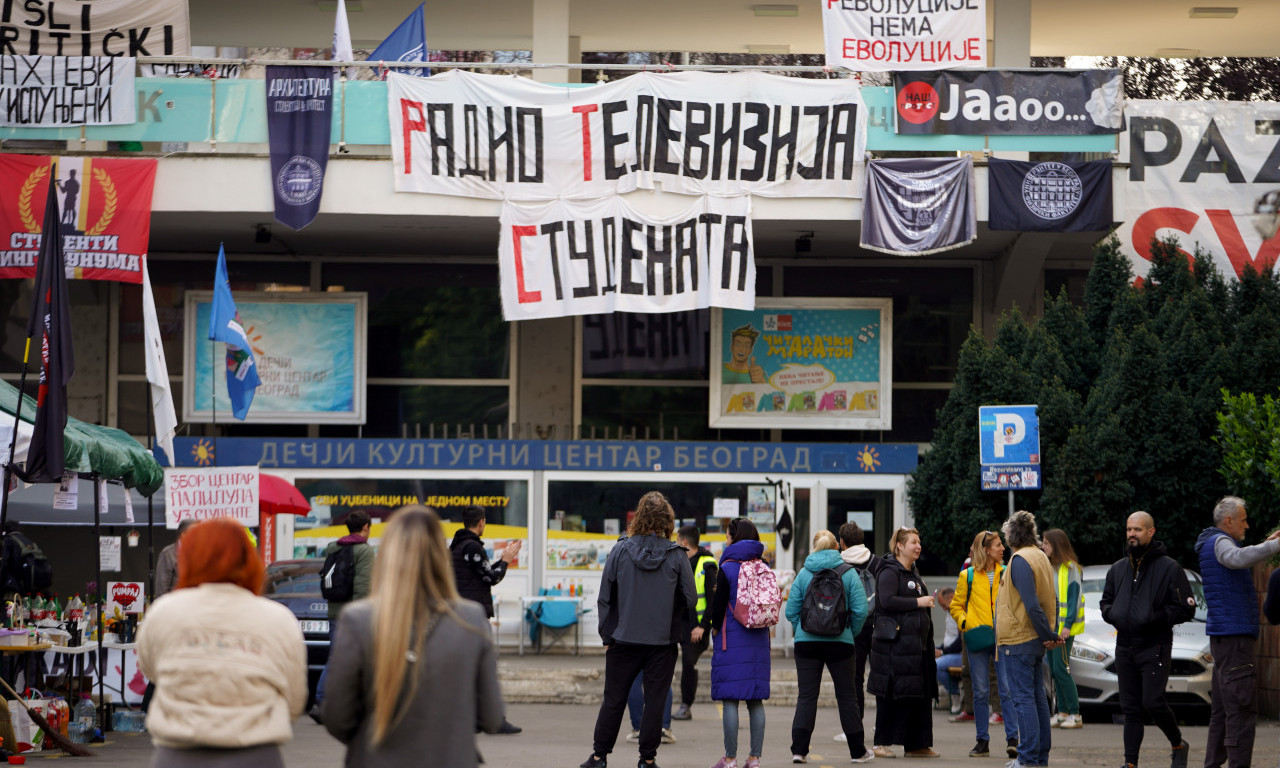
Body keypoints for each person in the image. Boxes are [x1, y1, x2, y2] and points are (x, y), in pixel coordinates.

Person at [322, 505, 506, 767]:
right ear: (439, 557)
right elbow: (491, 717)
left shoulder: (359, 619)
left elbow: (337, 716)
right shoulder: (470, 618)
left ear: (387, 554)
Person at [138, 518, 307, 768]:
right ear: (251, 560)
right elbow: (294, 698)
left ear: (190, 558)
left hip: (178, 755)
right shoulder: (279, 618)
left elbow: (151, 670)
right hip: (256, 755)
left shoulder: (163, 612)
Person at [580, 491, 696, 768]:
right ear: (667, 521)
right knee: (655, 701)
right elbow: (691, 598)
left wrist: (607, 636)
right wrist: (671, 614)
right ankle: (647, 759)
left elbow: (605, 596)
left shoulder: (620, 549)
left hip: (622, 639)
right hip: (662, 642)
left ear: (639, 517)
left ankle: (599, 756)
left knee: (614, 699)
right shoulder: (677, 556)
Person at [1100, 512, 1196, 768]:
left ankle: (1177, 743)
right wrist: (1112, 614)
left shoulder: (1170, 568)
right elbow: (1105, 601)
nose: (1132, 534)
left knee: (1152, 702)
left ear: (1151, 532)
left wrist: (1154, 617)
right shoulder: (1118, 569)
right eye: (1129, 529)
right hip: (1124, 646)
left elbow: (1186, 609)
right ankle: (1130, 763)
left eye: (1138, 530)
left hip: (1155, 645)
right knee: (1130, 708)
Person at [1195, 496, 1280, 768]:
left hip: (1224, 638)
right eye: (1243, 520)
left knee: (1222, 711)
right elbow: (1236, 558)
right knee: (1242, 712)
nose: (1247, 525)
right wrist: (1274, 545)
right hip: (1235, 639)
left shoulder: (1212, 542)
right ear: (1228, 521)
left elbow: (1235, 558)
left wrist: (1267, 543)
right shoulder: (1220, 542)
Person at [994, 510, 1060, 768]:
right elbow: (1049, 599)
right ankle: (1038, 756)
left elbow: (1031, 605)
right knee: (1036, 698)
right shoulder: (1041, 556)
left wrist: (1047, 634)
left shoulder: (1020, 560)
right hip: (1033, 638)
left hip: (1019, 638)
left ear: (1011, 536)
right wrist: (1049, 633)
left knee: (1023, 700)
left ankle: (1028, 758)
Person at [450, 504, 523, 734]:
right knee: (486, 666)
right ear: (481, 522)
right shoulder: (472, 547)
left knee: (470, 668)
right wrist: (506, 559)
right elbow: (491, 577)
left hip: (460, 614)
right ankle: (494, 719)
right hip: (474, 616)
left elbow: (479, 575)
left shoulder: (456, 547)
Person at [867, 527, 938, 759]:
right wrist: (918, 602)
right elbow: (886, 601)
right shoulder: (889, 571)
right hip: (894, 649)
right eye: (913, 543)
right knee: (891, 696)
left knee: (918, 696)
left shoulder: (913, 573)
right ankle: (881, 743)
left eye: (919, 542)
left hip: (916, 648)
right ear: (899, 546)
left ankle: (917, 744)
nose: (918, 546)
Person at [709, 518, 772, 768]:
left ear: (734, 538)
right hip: (758, 639)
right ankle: (754, 759)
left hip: (731, 639)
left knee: (730, 699)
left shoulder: (726, 567)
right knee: (755, 700)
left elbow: (718, 606)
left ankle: (730, 759)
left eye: (727, 536)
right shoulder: (763, 565)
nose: (726, 540)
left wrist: (714, 630)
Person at [953, 530, 1018, 759]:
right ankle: (982, 741)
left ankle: (1013, 739)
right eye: (998, 545)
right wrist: (965, 623)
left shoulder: (1008, 572)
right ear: (986, 550)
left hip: (1002, 637)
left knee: (1006, 689)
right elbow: (956, 606)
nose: (1003, 548)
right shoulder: (967, 576)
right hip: (978, 637)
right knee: (981, 691)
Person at [311, 510, 377, 721]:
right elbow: (363, 587)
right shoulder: (364, 551)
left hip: (334, 611)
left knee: (340, 657)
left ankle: (344, 702)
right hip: (354, 614)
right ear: (365, 527)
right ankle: (322, 699)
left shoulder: (334, 547)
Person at [1040, 528, 1085, 730]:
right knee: (1055, 670)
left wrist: (1066, 625)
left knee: (1062, 670)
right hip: (1052, 628)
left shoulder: (1071, 568)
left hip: (1064, 630)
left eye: (1046, 543)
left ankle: (1075, 714)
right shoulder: (1051, 567)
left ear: (1056, 545)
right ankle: (1062, 713)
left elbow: (1073, 599)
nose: (1043, 546)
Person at [672, 524, 717, 721]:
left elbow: (712, 600)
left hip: (696, 626)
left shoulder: (707, 564)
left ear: (684, 542)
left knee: (689, 663)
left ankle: (685, 705)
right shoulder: (678, 560)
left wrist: (703, 626)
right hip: (678, 623)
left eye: (677, 539)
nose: (675, 542)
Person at [836, 521, 880, 724]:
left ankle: (856, 724)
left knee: (855, 678)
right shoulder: (877, 563)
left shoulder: (839, 566)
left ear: (842, 542)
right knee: (881, 676)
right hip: (879, 626)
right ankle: (882, 728)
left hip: (854, 627)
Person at [933, 587, 963, 714]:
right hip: (951, 652)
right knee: (928, 658)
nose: (944, 609)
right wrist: (938, 649)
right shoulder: (949, 612)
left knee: (935, 665)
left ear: (951, 598)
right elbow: (949, 638)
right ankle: (950, 687)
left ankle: (954, 692)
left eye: (943, 605)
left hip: (960, 654)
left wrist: (942, 653)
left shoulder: (960, 611)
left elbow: (960, 642)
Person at [154, 519, 197, 598]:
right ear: (183, 534)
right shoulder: (168, 554)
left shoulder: (201, 552)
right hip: (176, 604)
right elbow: (161, 588)